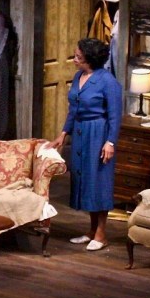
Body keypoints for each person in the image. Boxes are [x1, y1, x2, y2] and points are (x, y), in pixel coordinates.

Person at [47, 38, 122, 251]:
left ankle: (101, 234)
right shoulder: (78, 76)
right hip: (80, 134)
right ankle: (91, 231)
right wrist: (63, 134)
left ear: (89, 59)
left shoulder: (108, 82)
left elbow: (115, 116)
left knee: (99, 182)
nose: (74, 59)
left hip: (98, 134)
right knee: (86, 180)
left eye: (78, 57)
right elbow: (74, 109)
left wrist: (110, 142)